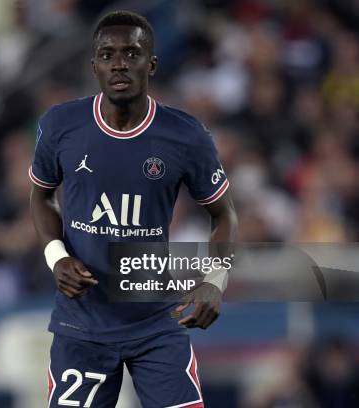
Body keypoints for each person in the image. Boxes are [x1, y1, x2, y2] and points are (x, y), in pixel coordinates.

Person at [29, 10, 237, 408]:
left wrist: (215, 280)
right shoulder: (61, 126)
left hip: (155, 319)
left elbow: (224, 213)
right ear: (94, 66)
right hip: (82, 323)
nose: (120, 63)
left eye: (132, 52)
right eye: (107, 55)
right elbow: (40, 195)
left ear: (152, 63)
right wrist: (56, 258)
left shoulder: (185, 135)